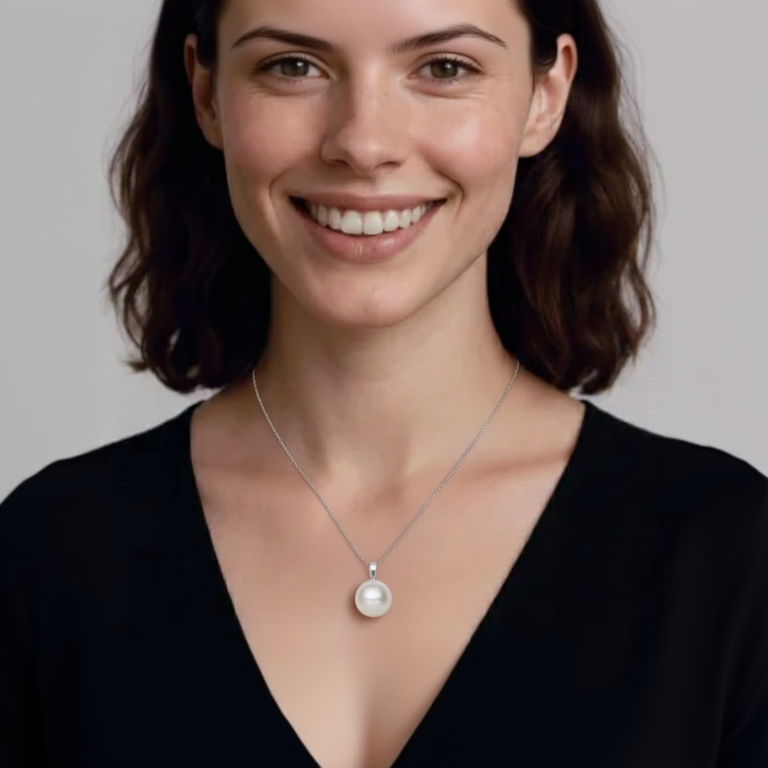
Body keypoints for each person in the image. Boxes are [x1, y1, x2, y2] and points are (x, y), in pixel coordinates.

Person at [0, 0, 765, 765]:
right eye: (292, 66)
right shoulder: (47, 553)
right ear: (205, 91)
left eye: (444, 68)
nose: (363, 143)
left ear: (546, 95)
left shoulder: (730, 556)